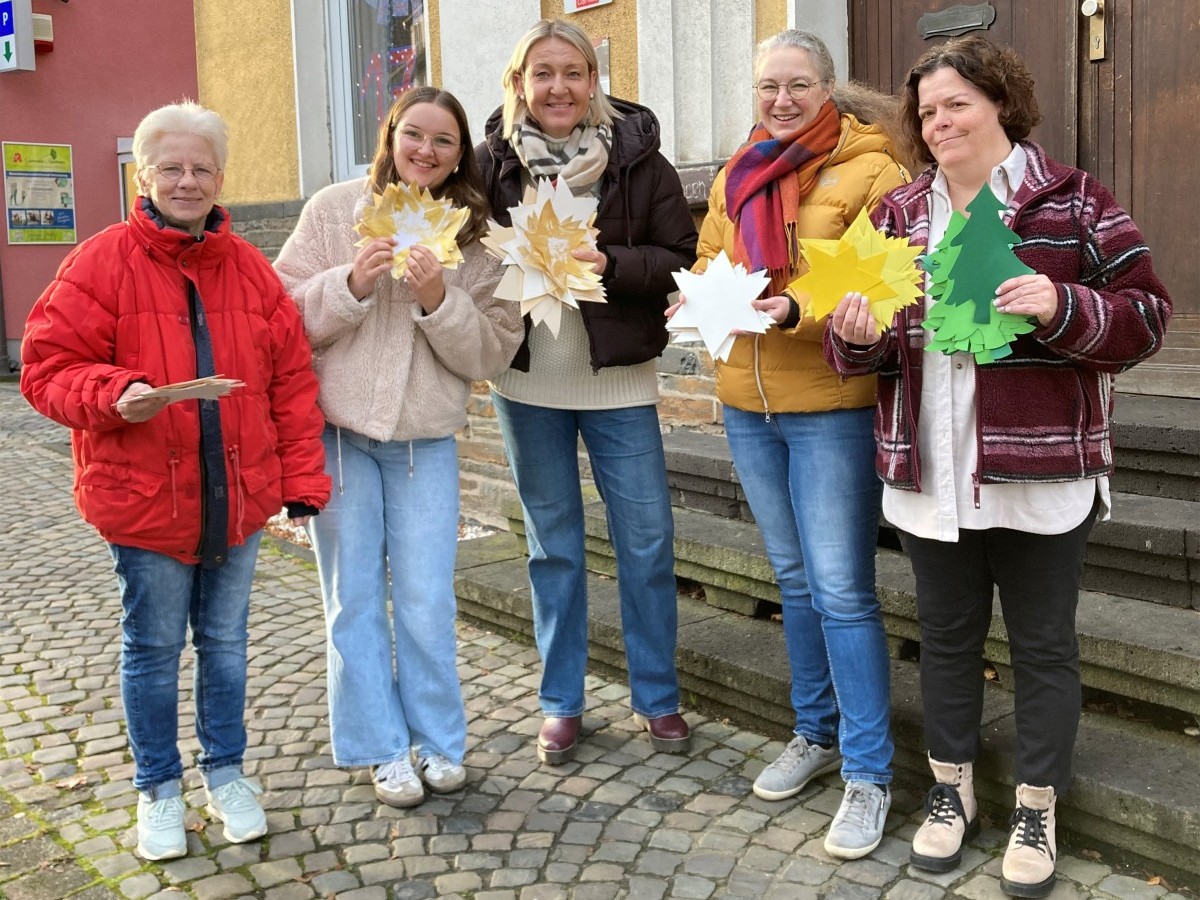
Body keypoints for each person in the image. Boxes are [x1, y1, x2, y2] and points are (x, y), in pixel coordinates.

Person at [826, 35, 1171, 898]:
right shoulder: (899, 216)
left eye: (957, 104)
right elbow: (850, 341)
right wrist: (857, 336)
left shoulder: (1074, 203)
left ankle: (1037, 803)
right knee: (944, 642)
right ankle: (952, 793)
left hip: (1042, 471)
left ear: (1000, 105)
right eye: (928, 110)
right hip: (930, 471)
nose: (940, 122)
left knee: (1043, 646)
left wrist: (1066, 305)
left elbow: (1148, 314)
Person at [20, 101, 330, 861]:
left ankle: (226, 774)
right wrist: (112, 392)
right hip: (144, 502)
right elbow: (46, 368)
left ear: (222, 176)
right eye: (171, 168)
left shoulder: (252, 272)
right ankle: (157, 789)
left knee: (224, 646)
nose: (187, 181)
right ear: (144, 174)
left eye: (201, 168)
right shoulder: (98, 263)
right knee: (153, 649)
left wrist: (302, 482)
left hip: (238, 502)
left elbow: (290, 382)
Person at [688, 29, 907, 860]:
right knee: (794, 580)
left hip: (829, 406)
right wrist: (707, 298)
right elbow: (712, 256)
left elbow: (875, 279)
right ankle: (814, 734)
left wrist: (794, 310)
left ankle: (868, 773)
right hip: (749, 402)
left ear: (828, 88)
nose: (782, 101)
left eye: (799, 86)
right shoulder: (739, 169)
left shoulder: (871, 168)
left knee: (844, 588)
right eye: (769, 87)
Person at [274, 87, 522, 808]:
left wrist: (441, 299)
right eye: (415, 134)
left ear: (460, 155)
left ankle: (438, 741)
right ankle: (381, 747)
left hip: (424, 445)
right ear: (391, 134)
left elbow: (491, 354)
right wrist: (349, 282)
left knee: (424, 601)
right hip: (340, 438)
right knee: (352, 601)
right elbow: (281, 315)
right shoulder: (335, 209)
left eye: (444, 141)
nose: (426, 151)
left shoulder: (479, 238)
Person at [476, 18, 698, 765]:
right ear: (520, 85)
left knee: (645, 541)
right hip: (527, 380)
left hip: (620, 380)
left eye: (573, 72)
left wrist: (607, 259)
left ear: (593, 81)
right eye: (543, 73)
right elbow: (455, 251)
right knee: (554, 548)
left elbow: (678, 259)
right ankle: (560, 701)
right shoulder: (490, 168)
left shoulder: (641, 164)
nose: (559, 87)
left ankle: (657, 696)